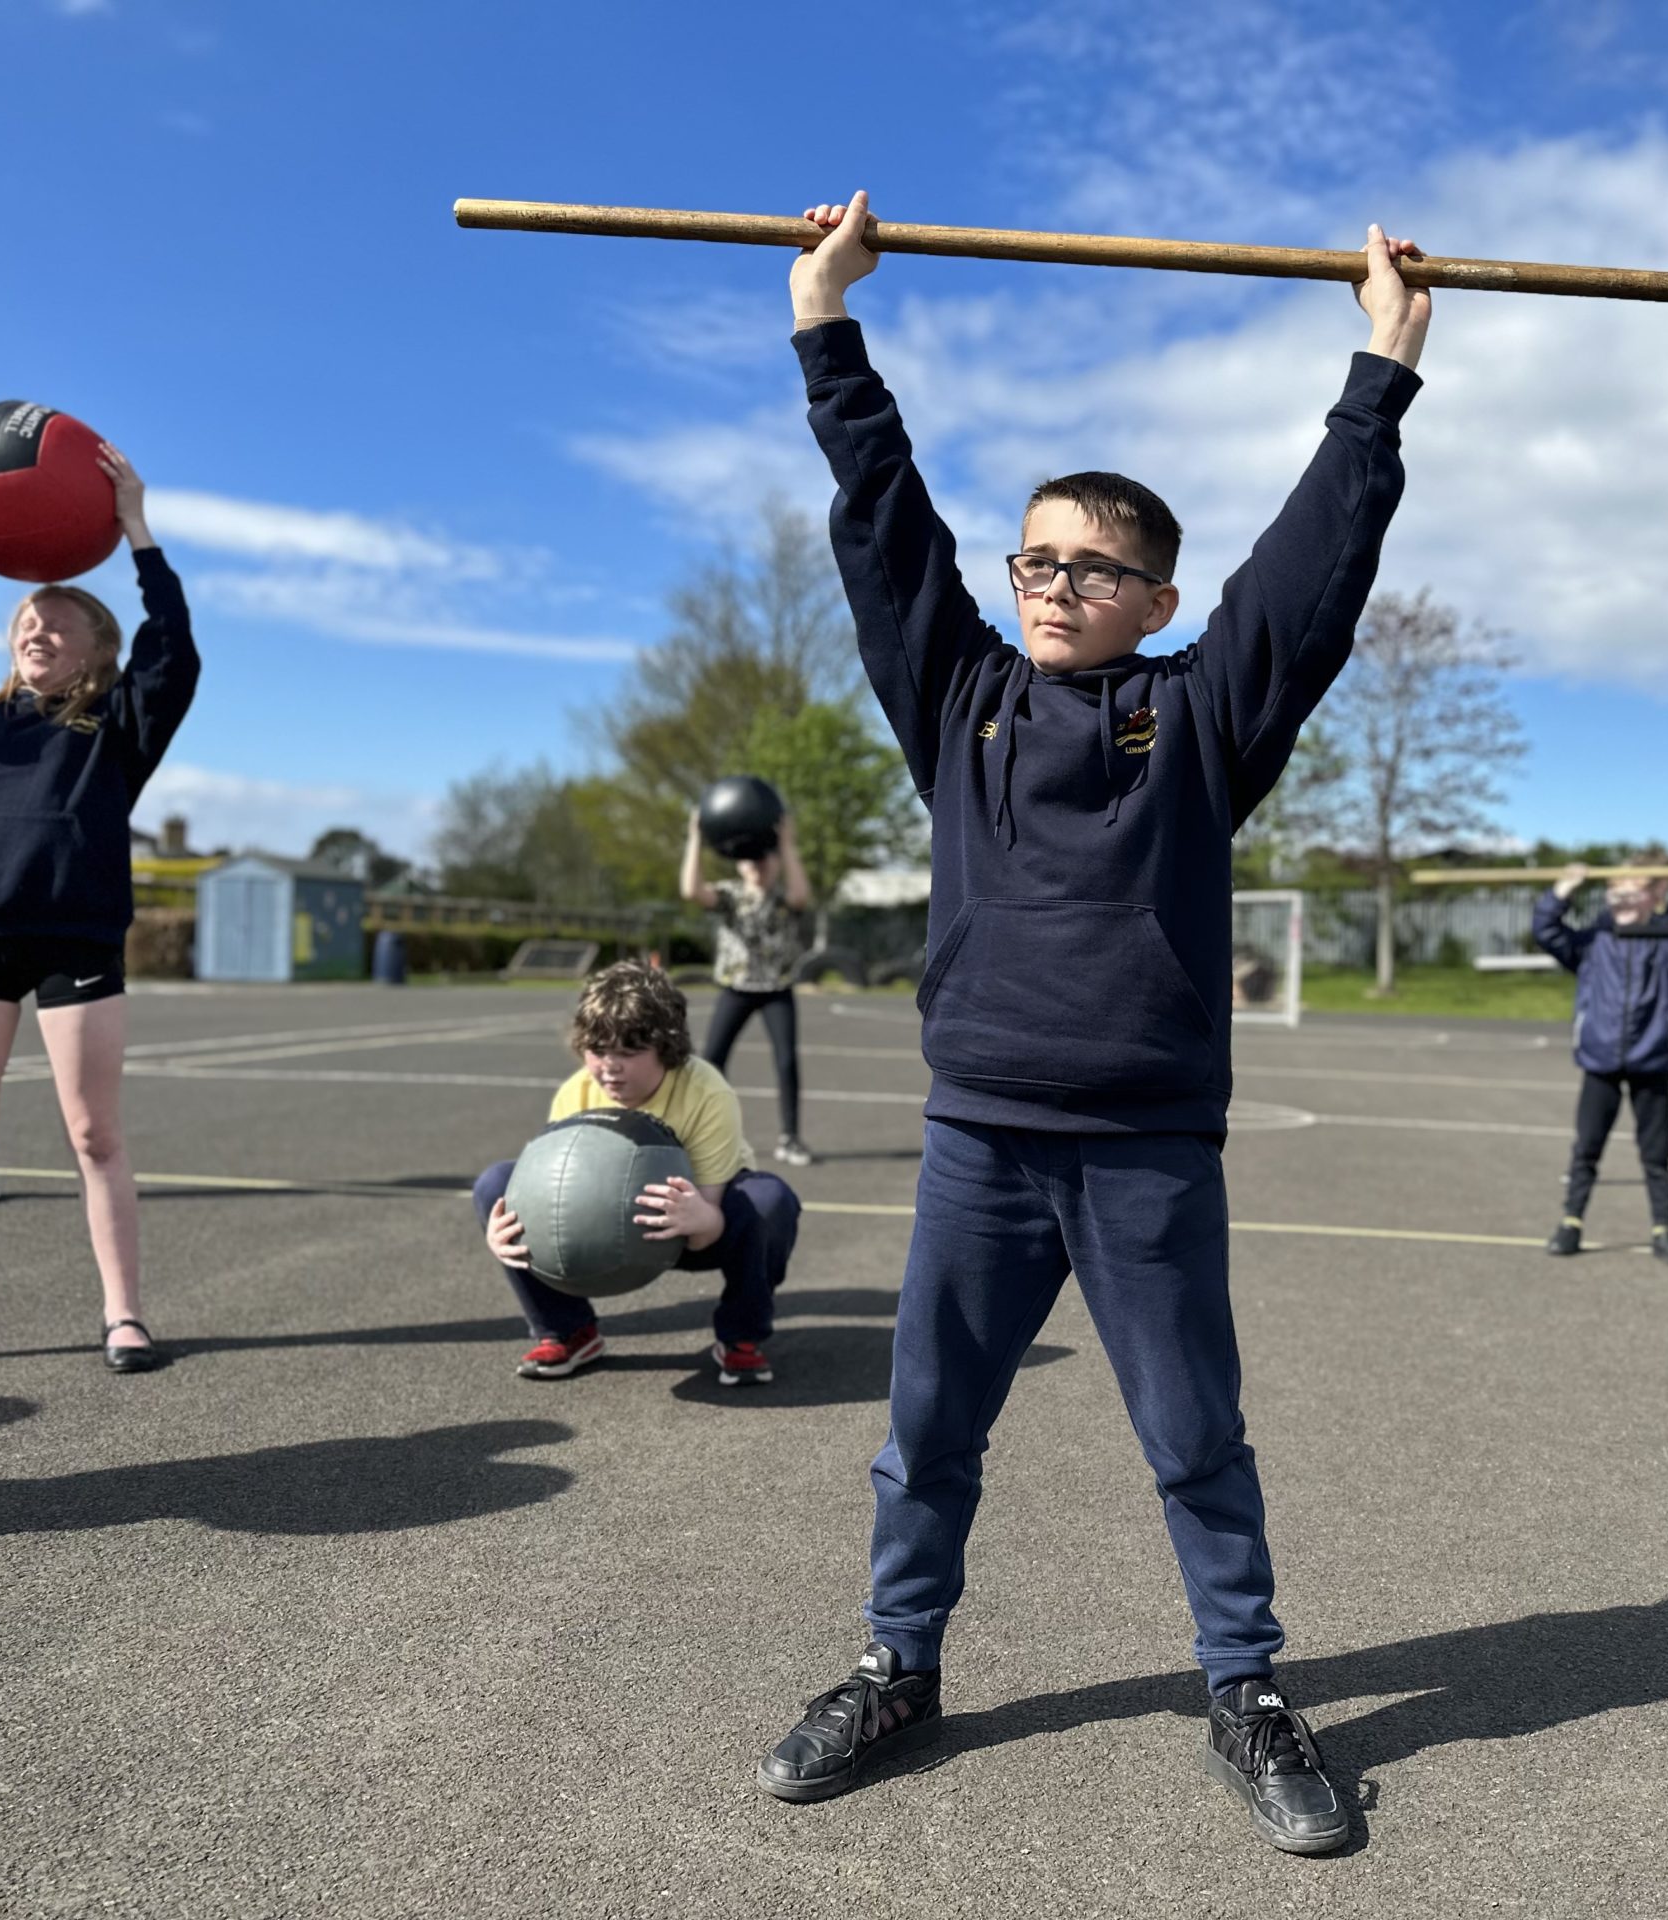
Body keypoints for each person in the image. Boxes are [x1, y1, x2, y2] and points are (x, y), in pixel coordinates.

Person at [754, 190, 1429, 1856]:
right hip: (981, 1136)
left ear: (1155, 592)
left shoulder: (1202, 719)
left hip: (1141, 1149)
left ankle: (1249, 1691)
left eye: (1091, 567)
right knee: (926, 1436)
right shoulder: (959, 698)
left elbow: (1317, 572)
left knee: (1193, 1435)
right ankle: (894, 1665)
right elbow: (880, 521)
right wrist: (826, 326)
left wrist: (1383, 366)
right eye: (1034, 558)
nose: (1052, 585)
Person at [0, 433, 197, 1374]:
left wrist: (138, 531)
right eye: (26, 620)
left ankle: (124, 1315)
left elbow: (173, 650)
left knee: (93, 1133)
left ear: (98, 649)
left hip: (77, 942)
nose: (36, 631)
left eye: (59, 621)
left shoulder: (118, 728)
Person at [474, 959, 801, 1386]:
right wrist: (510, 1236)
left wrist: (705, 1221)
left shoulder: (706, 1092)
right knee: (495, 1187)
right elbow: (545, 1196)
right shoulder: (577, 1094)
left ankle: (741, 1336)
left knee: (768, 1202)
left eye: (629, 1052)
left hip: (695, 1226)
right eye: (598, 1050)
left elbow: (705, 1227)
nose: (611, 1066)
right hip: (599, 1229)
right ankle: (568, 1331)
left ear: (666, 1048)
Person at [1532, 857, 1668, 1264]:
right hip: (1600, 1059)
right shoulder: (1592, 942)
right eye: (1615, 891)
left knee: (1656, 1154)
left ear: (1654, 895)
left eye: (1632, 890)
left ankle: (1663, 1230)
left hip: (1652, 1060)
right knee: (1587, 1148)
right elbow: (1546, 931)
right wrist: (1560, 893)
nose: (1622, 898)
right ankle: (1570, 1223)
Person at [681, 805, 815, 1166]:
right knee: (713, 1061)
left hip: (776, 990)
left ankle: (790, 1138)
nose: (758, 865)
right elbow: (691, 890)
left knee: (787, 1061)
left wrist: (786, 844)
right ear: (739, 864)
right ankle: (698, 1134)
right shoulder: (729, 896)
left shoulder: (783, 899)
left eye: (765, 859)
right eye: (750, 860)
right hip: (736, 989)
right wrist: (695, 837)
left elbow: (802, 894)